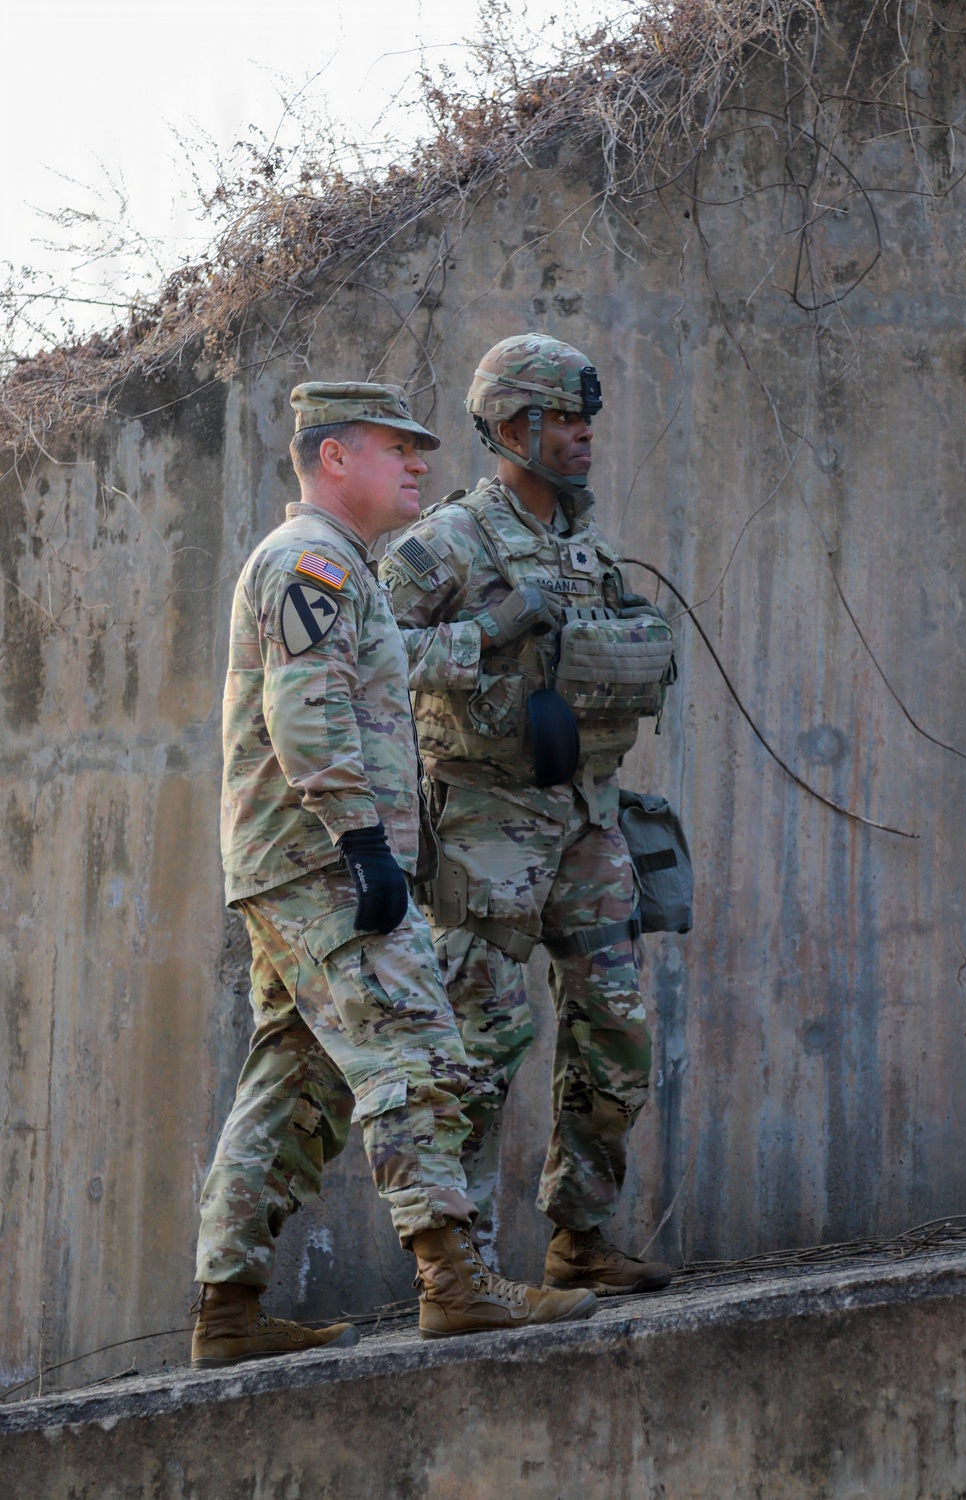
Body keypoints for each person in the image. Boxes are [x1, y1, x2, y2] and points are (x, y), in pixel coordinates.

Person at [191, 380, 597, 1367]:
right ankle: (453, 1283)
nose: (418, 462)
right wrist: (361, 845)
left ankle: (227, 1308)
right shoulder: (312, 560)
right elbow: (308, 710)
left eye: (420, 448)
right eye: (394, 447)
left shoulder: (341, 566)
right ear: (334, 458)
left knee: (296, 1089)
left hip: (301, 860)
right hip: (322, 863)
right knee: (419, 1051)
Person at [380, 335, 677, 1295]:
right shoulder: (444, 544)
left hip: (587, 816)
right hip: (486, 822)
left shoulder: (581, 545)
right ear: (512, 427)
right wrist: (493, 631)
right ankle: (460, 1275)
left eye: (588, 417)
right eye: (566, 417)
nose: (586, 433)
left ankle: (580, 1237)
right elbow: (371, 659)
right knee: (482, 1041)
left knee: (618, 1031)